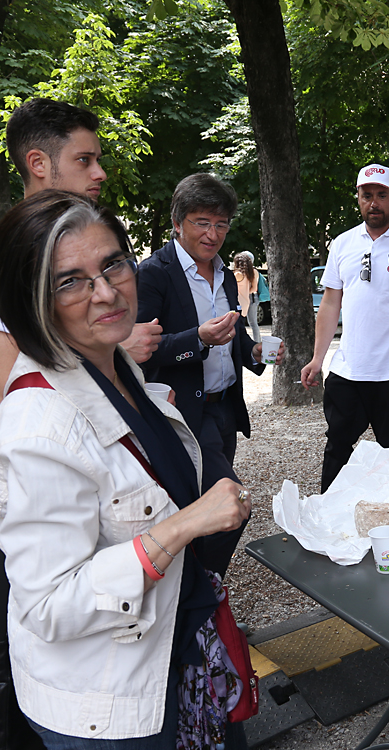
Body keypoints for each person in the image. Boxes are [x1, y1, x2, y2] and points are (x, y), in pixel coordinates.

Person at [0, 190, 252, 748]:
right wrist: (182, 527)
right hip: (111, 707)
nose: (105, 292)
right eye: (69, 280)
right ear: (32, 301)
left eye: (112, 265)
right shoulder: (37, 426)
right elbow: (50, 605)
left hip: (170, 656)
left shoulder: (115, 367)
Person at [0, 98, 161, 412]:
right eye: (84, 160)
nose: (100, 173)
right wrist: (115, 349)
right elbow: (4, 393)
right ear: (38, 164)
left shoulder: (73, 238)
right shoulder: (13, 260)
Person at [136, 173, 268, 577]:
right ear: (178, 222)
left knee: (203, 510)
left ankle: (197, 600)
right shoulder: (154, 273)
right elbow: (142, 351)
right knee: (233, 505)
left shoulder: (226, 273)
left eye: (221, 224)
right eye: (202, 222)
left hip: (224, 407)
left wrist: (254, 352)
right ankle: (204, 594)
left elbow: (233, 334)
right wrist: (197, 338)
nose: (213, 234)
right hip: (185, 416)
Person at [300, 164, 389, 492]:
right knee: (337, 447)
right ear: (359, 198)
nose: (373, 202)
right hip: (348, 370)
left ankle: (388, 522)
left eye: (381, 195)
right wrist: (317, 359)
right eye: (367, 195)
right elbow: (330, 304)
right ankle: (330, 520)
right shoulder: (343, 243)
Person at [232, 250, 263, 341]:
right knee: (253, 323)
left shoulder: (238, 274)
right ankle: (257, 342)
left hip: (238, 302)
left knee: (237, 325)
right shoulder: (253, 272)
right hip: (249, 300)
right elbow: (254, 289)